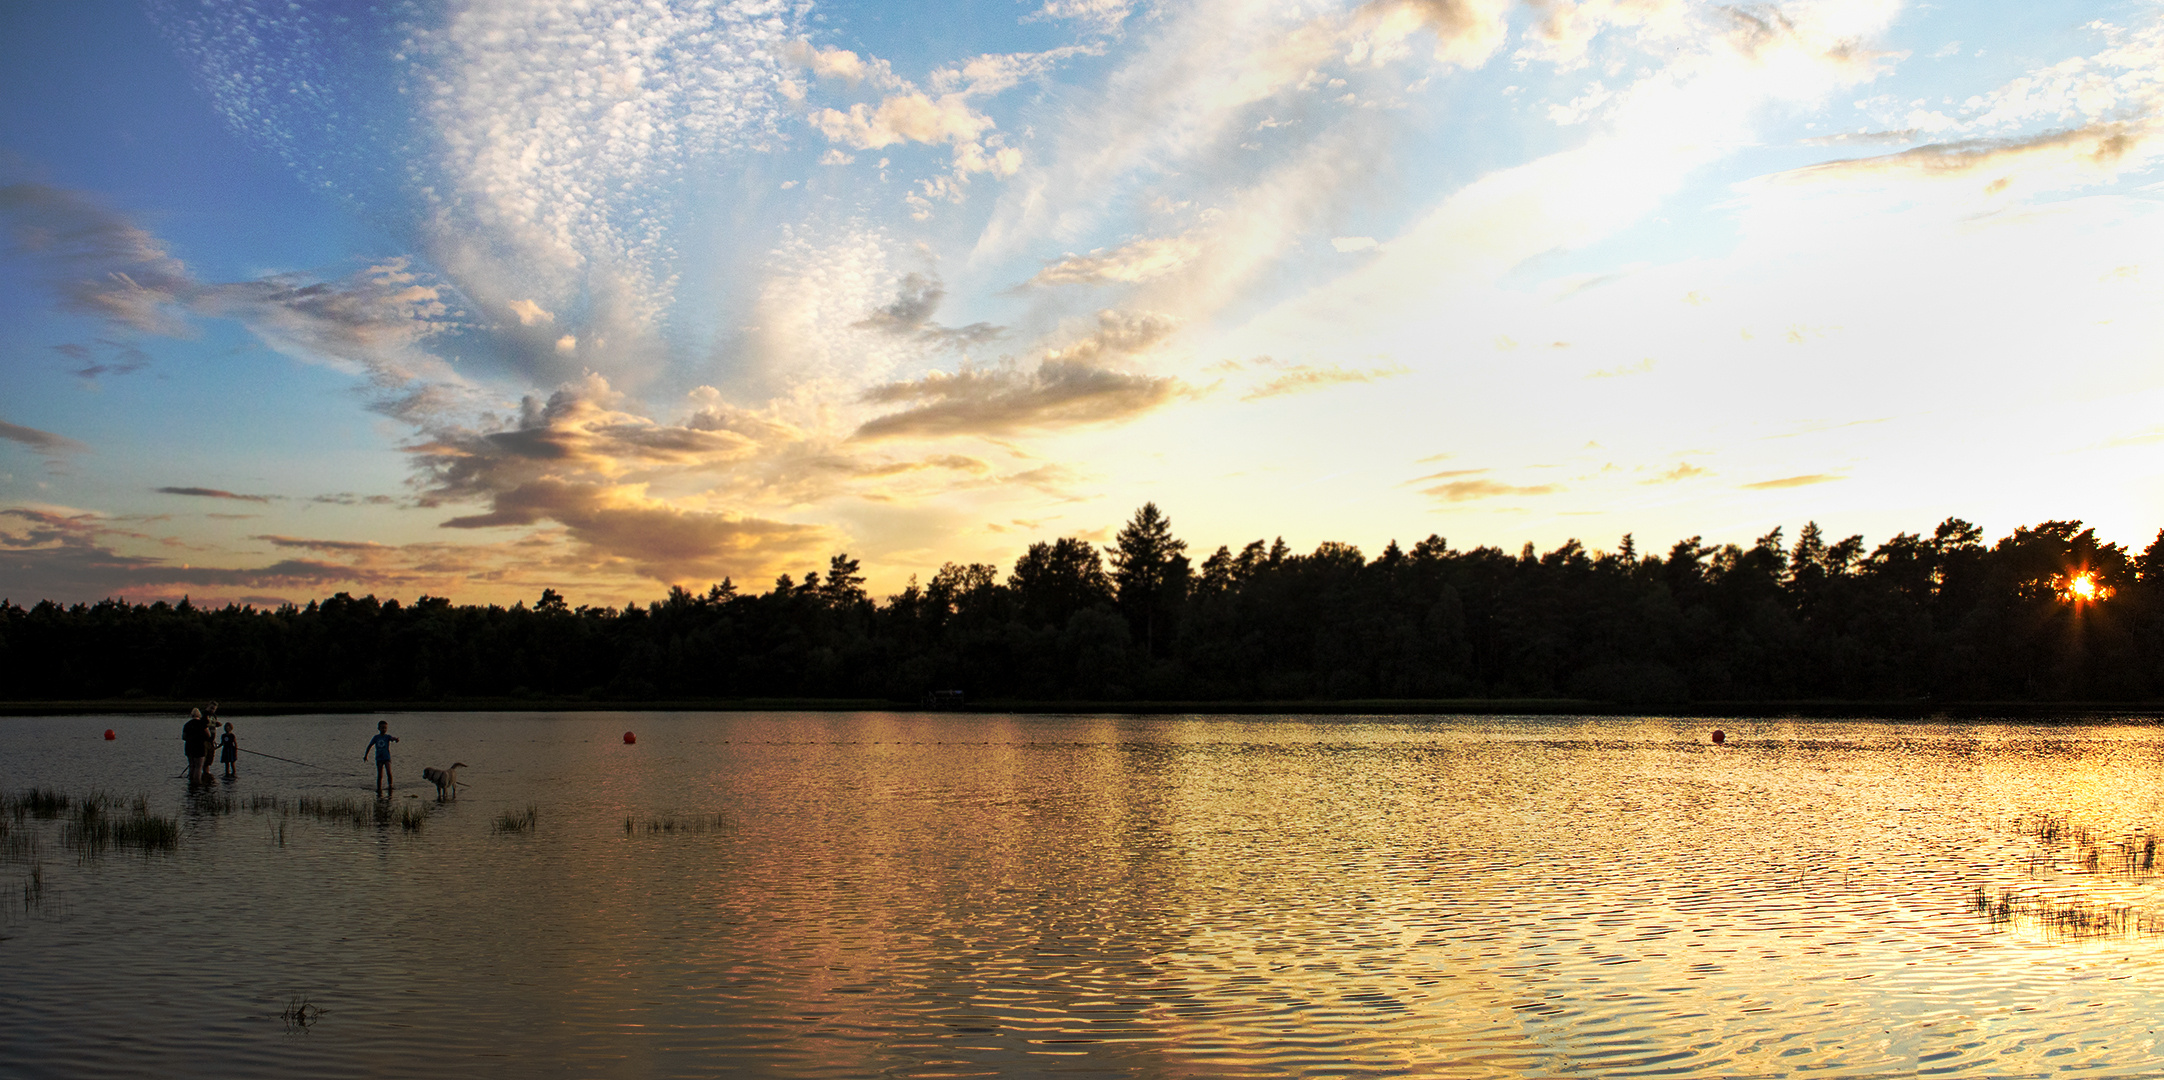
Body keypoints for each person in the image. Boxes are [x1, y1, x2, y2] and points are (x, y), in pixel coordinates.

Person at [363, 720, 398, 795]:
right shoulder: (376, 737)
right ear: (379, 728)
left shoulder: (387, 737)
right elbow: (370, 746)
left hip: (386, 758)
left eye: (385, 728)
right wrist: (366, 755)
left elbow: (392, 738)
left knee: (388, 772)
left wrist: (396, 739)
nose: (384, 730)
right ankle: (379, 788)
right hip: (379, 758)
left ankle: (390, 786)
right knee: (380, 774)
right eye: (382, 728)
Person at [181, 708, 209, 785]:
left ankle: (191, 783)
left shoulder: (187, 724)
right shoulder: (202, 724)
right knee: (198, 767)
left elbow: (183, 737)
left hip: (189, 747)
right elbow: (208, 735)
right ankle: (197, 783)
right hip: (199, 747)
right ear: (199, 715)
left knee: (191, 766)